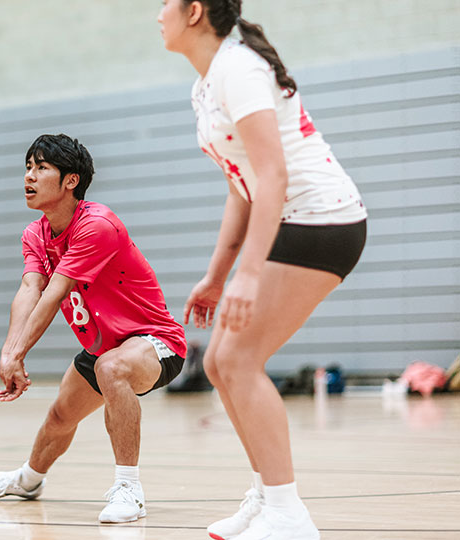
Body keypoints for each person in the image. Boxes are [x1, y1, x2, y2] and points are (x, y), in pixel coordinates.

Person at [157, 1, 368, 539]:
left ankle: (288, 515)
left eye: (165, 4)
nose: (157, 14)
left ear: (195, 12)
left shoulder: (239, 70)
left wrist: (248, 276)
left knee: (240, 359)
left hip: (322, 220)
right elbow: (241, 185)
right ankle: (266, 498)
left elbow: (272, 177)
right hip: (290, 221)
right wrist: (217, 274)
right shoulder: (206, 85)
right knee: (222, 363)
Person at [0, 134, 187, 523]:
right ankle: (28, 480)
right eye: (28, 167)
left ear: (71, 181)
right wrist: (8, 350)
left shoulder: (96, 225)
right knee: (59, 417)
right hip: (104, 347)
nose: (29, 177)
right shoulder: (36, 233)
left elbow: (54, 293)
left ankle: (129, 490)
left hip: (155, 342)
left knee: (112, 369)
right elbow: (30, 289)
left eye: (41, 168)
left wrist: (18, 354)